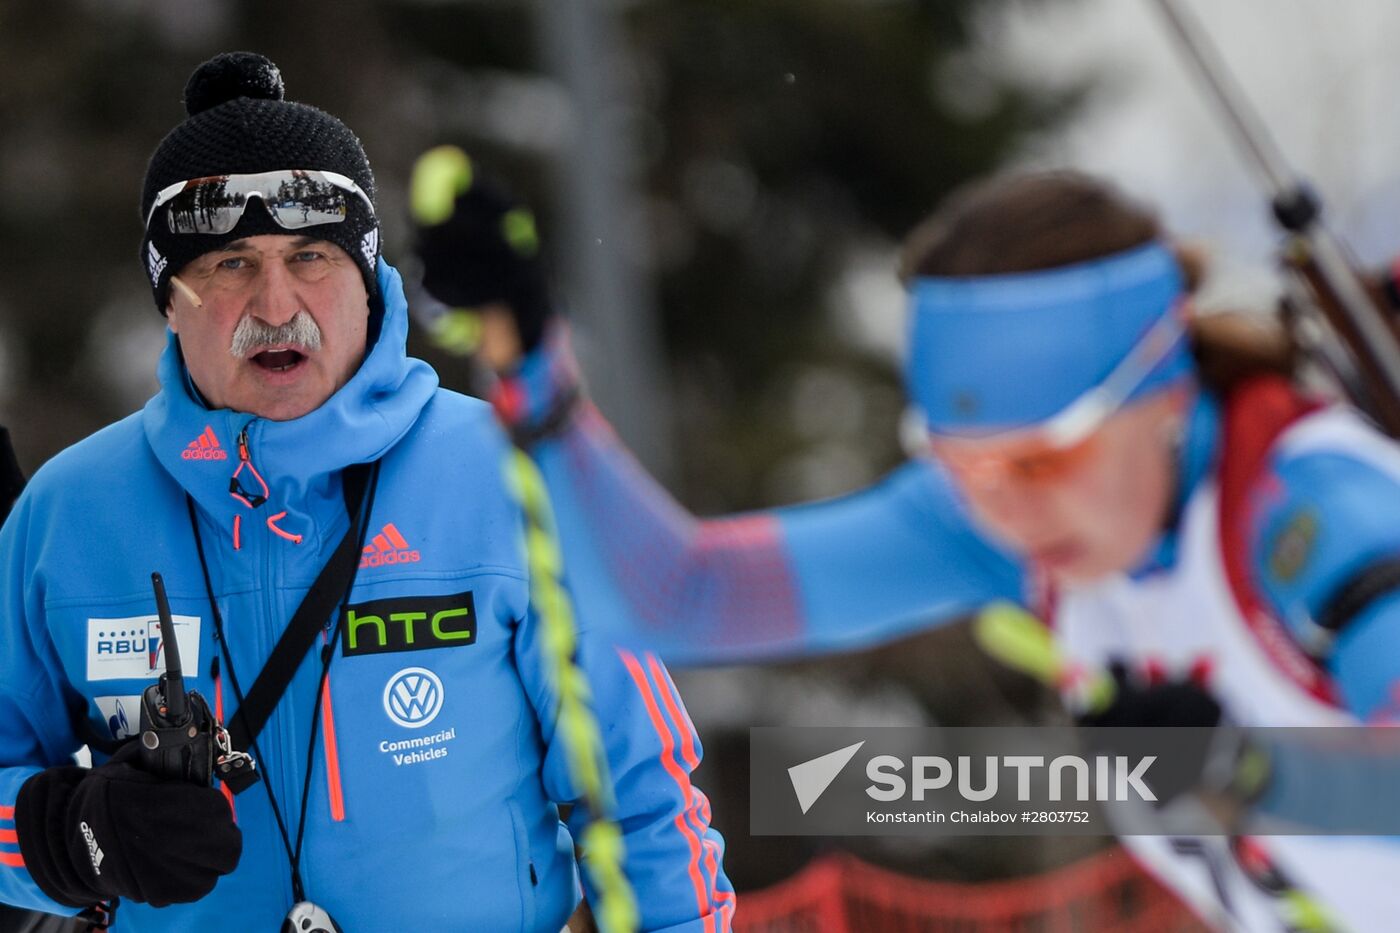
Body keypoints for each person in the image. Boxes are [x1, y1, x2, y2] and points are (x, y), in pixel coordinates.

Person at [411, 154, 1400, 931]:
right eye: (961, 463)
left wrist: (1250, 772)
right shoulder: (1010, 532)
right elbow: (677, 598)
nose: (1006, 507)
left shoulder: (1309, 521)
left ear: (1161, 388)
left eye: (1042, 458)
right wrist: (531, 360)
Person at [0, 53, 734, 932]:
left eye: (311, 255)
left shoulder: (510, 475)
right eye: (231, 263)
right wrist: (71, 835)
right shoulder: (64, 513)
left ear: (369, 277)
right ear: (170, 298)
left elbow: (642, 795)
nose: (277, 300)